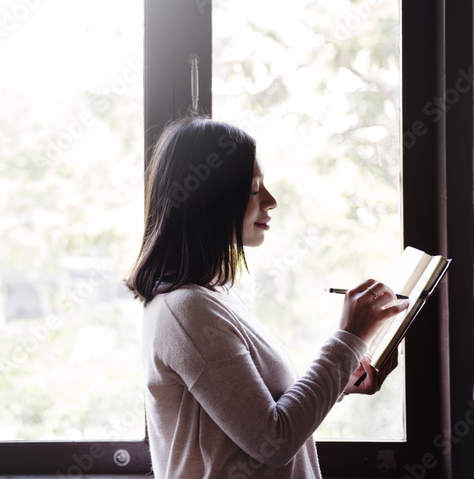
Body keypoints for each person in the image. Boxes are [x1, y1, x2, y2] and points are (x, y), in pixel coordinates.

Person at [125, 116, 408, 478]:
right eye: (254, 188)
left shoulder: (216, 296)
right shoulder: (188, 310)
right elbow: (273, 440)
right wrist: (348, 339)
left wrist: (340, 382)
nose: (271, 201)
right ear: (212, 197)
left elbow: (258, 414)